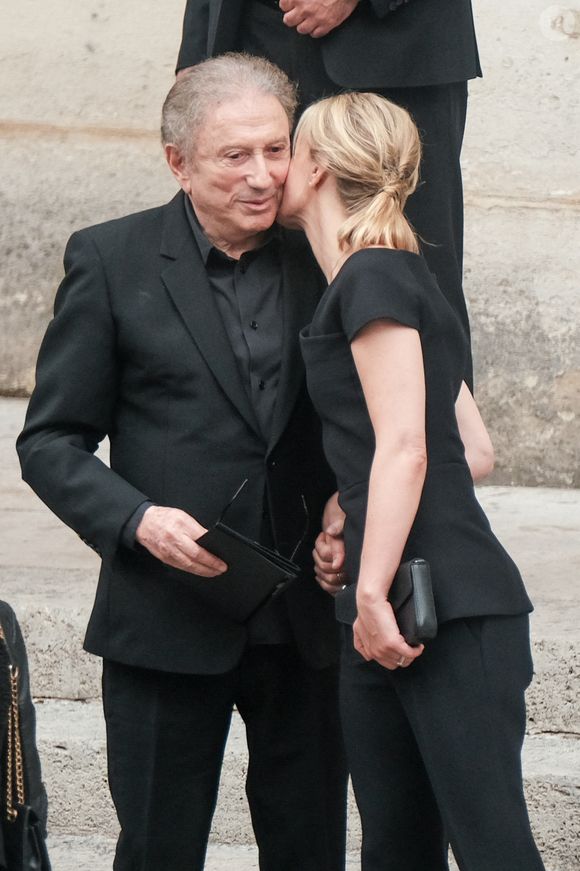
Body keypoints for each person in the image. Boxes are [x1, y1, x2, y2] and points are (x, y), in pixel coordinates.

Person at [16, 54, 347, 871]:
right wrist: (135, 517)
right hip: (165, 616)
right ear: (178, 161)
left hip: (305, 618)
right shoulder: (110, 259)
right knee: (158, 851)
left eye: (277, 149)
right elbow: (50, 441)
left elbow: (375, 411)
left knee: (310, 851)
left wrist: (348, 500)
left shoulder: (328, 255)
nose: (264, 176)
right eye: (235, 155)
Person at [278, 91, 546, 870]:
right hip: (403, 604)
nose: (273, 171)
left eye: (287, 151)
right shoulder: (399, 277)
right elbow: (472, 444)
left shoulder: (373, 279)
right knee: (396, 850)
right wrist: (347, 507)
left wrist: (366, 591)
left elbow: (408, 448)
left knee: (494, 849)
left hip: (444, 609)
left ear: (318, 165)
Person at [176, 0, 482, 387]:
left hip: (391, 44)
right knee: (268, 279)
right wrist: (196, 51)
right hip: (251, 38)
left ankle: (433, 445)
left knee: (405, 265)